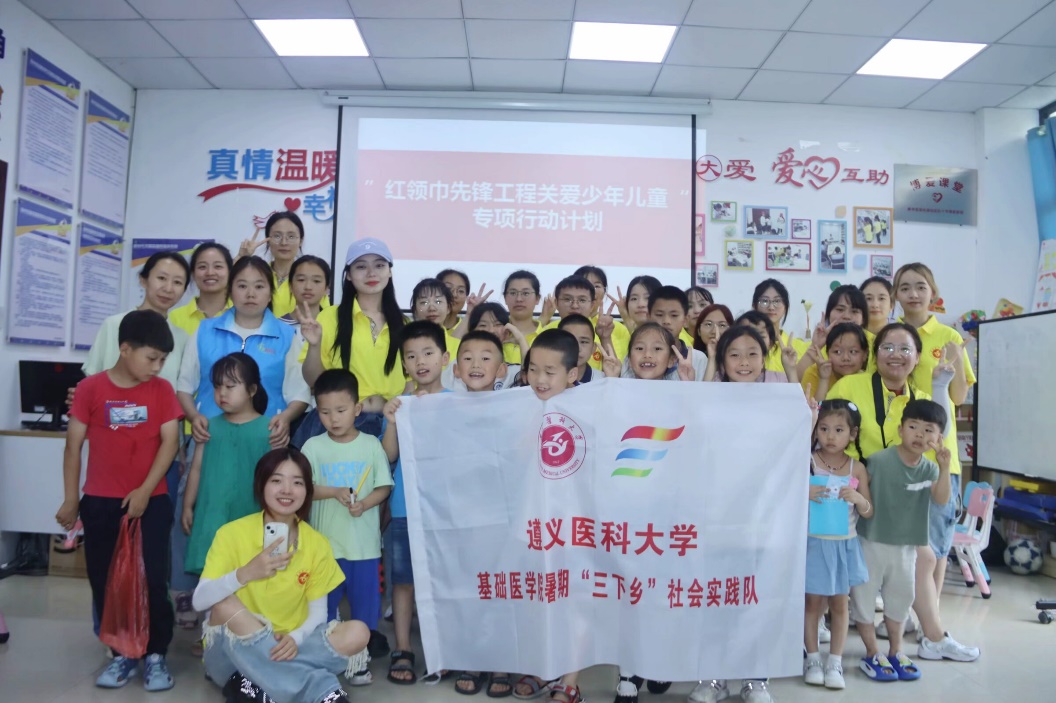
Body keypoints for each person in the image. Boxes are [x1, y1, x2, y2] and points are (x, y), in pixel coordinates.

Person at [826, 324, 978, 662]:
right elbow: (827, 432)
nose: (896, 355)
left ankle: (931, 637)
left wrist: (940, 385)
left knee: (924, 558)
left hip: (897, 497)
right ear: (875, 354)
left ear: (918, 357)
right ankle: (911, 638)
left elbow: (936, 437)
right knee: (911, 561)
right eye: (888, 347)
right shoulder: (850, 385)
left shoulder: (921, 398)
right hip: (853, 492)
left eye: (905, 349)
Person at [56, 310, 183, 691]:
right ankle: (122, 653)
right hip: (100, 502)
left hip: (151, 500)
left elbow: (170, 443)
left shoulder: (161, 390)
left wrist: (144, 491)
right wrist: (71, 500)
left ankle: (155, 654)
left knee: (153, 578)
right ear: (125, 349)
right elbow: (73, 447)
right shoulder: (90, 389)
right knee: (106, 581)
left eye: (163, 360)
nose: (157, 367)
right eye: (151, 358)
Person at [191, 448, 369, 703]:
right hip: (233, 651)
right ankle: (319, 689)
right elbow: (200, 601)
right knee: (225, 606)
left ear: (307, 491)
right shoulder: (231, 533)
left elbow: (318, 613)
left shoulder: (316, 543)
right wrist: (245, 573)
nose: (287, 490)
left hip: (291, 644)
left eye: (297, 483)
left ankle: (257, 685)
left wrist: (295, 638)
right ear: (261, 486)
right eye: (276, 480)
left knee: (358, 632)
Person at [892, 263, 976, 651]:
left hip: (941, 457)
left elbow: (958, 398)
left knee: (937, 546)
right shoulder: (891, 336)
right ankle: (906, 615)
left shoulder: (948, 337)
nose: (913, 294)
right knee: (905, 546)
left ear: (933, 292)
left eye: (920, 287)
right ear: (896, 294)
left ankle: (931, 623)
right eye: (905, 287)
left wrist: (953, 365)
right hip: (900, 456)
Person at [302, 370, 393, 686]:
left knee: (365, 607)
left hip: (364, 546)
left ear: (357, 408)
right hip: (324, 548)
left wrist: (364, 504)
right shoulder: (313, 447)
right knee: (323, 608)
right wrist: (334, 491)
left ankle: (359, 660)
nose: (333, 418)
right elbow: (304, 488)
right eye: (324, 412)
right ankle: (326, 657)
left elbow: (384, 487)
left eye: (340, 410)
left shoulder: (370, 445)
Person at [850, 400, 951, 683]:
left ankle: (896, 650)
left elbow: (941, 499)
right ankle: (872, 652)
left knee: (900, 600)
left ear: (938, 438)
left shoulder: (930, 469)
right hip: (870, 542)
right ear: (900, 429)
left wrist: (945, 468)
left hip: (907, 547)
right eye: (913, 427)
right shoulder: (878, 461)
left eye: (928, 430)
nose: (920, 434)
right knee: (863, 600)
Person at [513, 329, 585, 703]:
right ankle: (542, 667)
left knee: (572, 599)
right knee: (537, 595)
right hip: (532, 519)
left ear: (572, 374)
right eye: (533, 369)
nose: (539, 379)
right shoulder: (520, 404)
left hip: (574, 523)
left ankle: (569, 679)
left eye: (550, 371)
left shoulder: (587, 407)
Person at [381, 321, 452, 685]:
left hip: (446, 512)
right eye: (411, 356)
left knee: (445, 581)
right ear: (404, 364)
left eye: (427, 353)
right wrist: (392, 421)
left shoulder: (458, 403)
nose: (420, 361)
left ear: (445, 357)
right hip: (406, 509)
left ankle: (447, 650)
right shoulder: (400, 405)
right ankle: (403, 648)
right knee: (404, 582)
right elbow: (388, 456)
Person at [177, 256, 309, 451]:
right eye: (242, 286)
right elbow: (184, 386)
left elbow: (299, 392)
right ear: (230, 291)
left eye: (259, 286)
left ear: (270, 294)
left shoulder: (287, 336)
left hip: (266, 437)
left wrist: (285, 418)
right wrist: (194, 417)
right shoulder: (205, 331)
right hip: (210, 437)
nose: (250, 294)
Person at [449, 330, 513, 696]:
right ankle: (472, 658)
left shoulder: (514, 406)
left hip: (502, 518)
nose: (476, 364)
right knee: (468, 589)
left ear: (502, 369)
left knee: (501, 588)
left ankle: (502, 661)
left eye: (486, 358)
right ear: (455, 369)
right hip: (461, 518)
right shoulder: (442, 408)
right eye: (468, 357)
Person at [299, 238, 407, 442]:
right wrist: (314, 345)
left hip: (391, 423)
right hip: (342, 423)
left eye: (379, 265)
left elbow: (411, 383)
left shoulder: (404, 323)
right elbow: (314, 380)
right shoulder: (330, 317)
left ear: (389, 271)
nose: (371, 273)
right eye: (361, 267)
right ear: (348, 275)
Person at [182, 353, 273, 576]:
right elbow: (196, 469)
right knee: (212, 574)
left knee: (249, 573)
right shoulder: (208, 427)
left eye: (230, 386)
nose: (222, 393)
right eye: (217, 386)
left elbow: (276, 478)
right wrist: (187, 505)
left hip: (252, 515)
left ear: (252, 390)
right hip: (213, 514)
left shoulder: (269, 429)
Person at [804, 401, 872, 690]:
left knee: (840, 604)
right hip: (813, 544)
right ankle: (812, 659)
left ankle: (835, 661)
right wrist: (804, 491)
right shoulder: (806, 461)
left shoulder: (858, 468)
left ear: (852, 434)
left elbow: (868, 510)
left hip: (844, 545)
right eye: (824, 428)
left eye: (839, 430)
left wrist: (858, 499)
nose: (830, 436)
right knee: (812, 603)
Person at [238, 211, 330, 319]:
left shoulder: (309, 280)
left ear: (301, 241)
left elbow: (324, 318)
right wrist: (241, 258)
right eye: (277, 236)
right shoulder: (256, 274)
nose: (284, 242)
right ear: (268, 240)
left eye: (291, 237)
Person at [169, 243, 233, 335]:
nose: (210, 273)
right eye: (202, 267)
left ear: (230, 272)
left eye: (218, 266)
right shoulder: (175, 318)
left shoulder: (242, 315)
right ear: (193, 273)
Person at [648, 286, 707, 381]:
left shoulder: (698, 359)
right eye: (659, 315)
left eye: (674, 315)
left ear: (685, 320)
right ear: (649, 318)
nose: (666, 321)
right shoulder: (637, 356)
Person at [602, 322, 694, 382]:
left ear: (671, 360)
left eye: (657, 349)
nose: (647, 355)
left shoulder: (677, 392)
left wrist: (688, 385)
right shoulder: (620, 391)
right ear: (629, 359)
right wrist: (611, 380)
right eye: (640, 348)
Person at [801, 324, 870, 402]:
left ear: (865, 354)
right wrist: (824, 379)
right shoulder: (814, 373)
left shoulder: (868, 381)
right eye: (837, 352)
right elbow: (816, 408)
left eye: (853, 351)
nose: (845, 358)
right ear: (827, 353)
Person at [752, 279, 808, 372]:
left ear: (785, 307)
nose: (771, 307)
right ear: (754, 306)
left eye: (777, 301)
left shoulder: (799, 347)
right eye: (764, 301)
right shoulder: (746, 344)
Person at [703, 326, 794, 384]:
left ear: (762, 360)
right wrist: (712, 359)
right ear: (723, 361)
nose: (744, 362)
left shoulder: (776, 382)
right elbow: (703, 400)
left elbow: (795, 403)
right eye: (735, 355)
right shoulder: (716, 383)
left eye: (752, 354)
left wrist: (790, 369)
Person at [503, 270, 548, 343]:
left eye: (526, 293)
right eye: (513, 293)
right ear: (505, 298)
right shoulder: (497, 334)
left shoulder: (547, 337)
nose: (519, 299)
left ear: (537, 298)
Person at [558, 314, 602, 384]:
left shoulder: (602, 381)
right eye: (570, 341)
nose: (577, 348)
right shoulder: (545, 380)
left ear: (593, 348)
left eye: (583, 342)